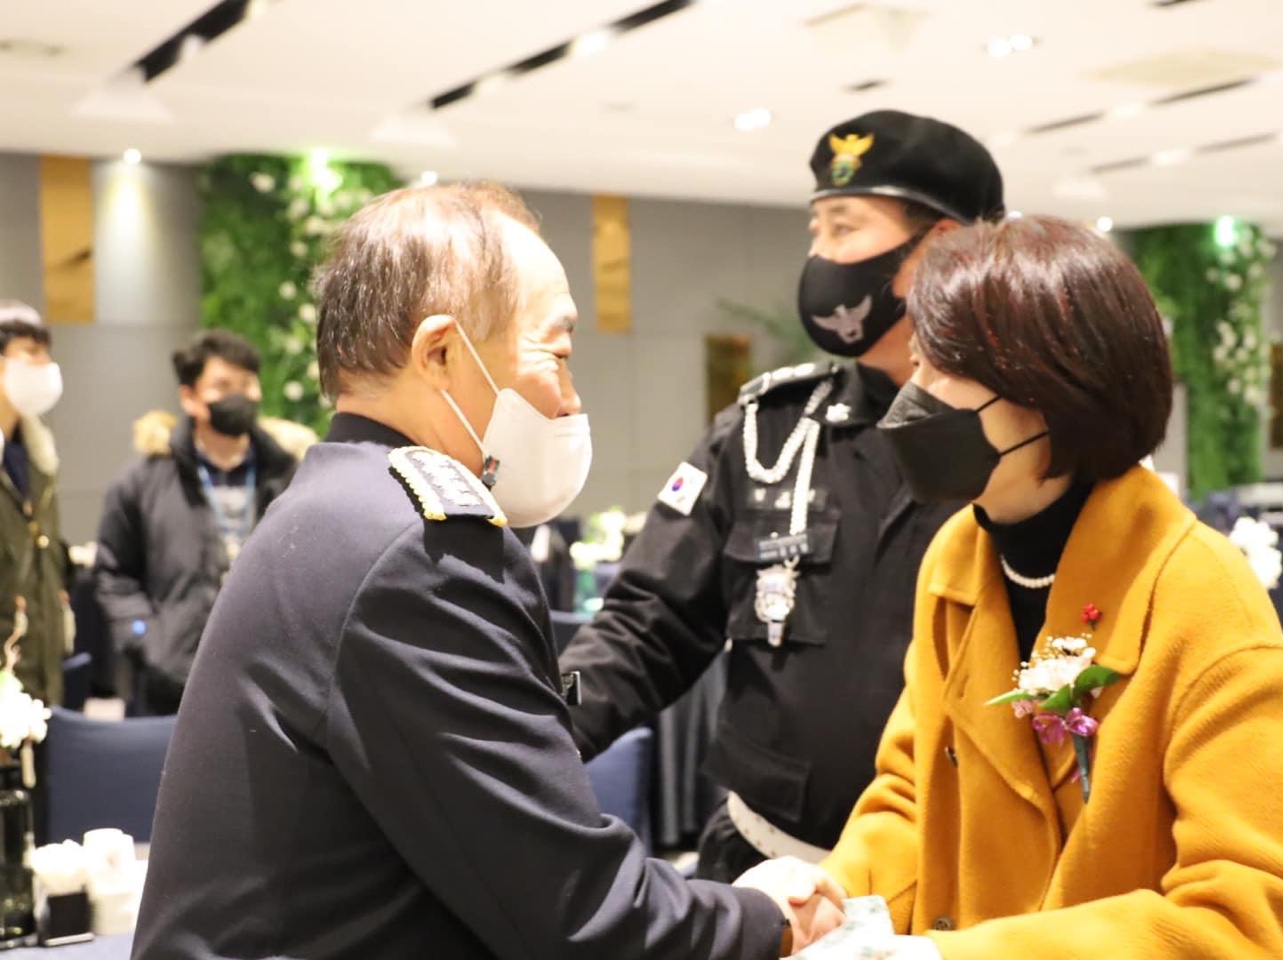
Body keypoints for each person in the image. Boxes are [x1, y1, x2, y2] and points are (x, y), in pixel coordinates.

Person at [133, 182, 845, 960]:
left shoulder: (341, 501)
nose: (570, 398)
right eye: (558, 354)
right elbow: (575, 912)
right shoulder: (421, 553)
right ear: (440, 353)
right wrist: (763, 916)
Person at [789, 216, 1283, 957]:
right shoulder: (958, 557)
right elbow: (913, 794)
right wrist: (825, 898)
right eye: (916, 363)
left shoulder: (1196, 590)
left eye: (941, 369)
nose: (911, 401)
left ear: (1052, 387)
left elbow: (1262, 912)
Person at [559, 110, 1005, 880]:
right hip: (766, 866)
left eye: (843, 227)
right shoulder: (766, 434)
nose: (819, 254)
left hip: (962, 888)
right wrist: (534, 729)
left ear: (942, 247)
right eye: (814, 230)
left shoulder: (1022, 442)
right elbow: (647, 625)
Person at [94, 330, 297, 715]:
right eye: (223, 385)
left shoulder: (288, 475)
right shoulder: (143, 481)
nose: (239, 395)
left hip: (271, 686)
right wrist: (147, 640)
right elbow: (114, 574)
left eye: (247, 383)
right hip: (170, 689)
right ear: (189, 397)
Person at [0, 300, 70, 706]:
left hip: (38, 677)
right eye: (32, 352)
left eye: (47, 352)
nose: (46, 365)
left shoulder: (39, 456)